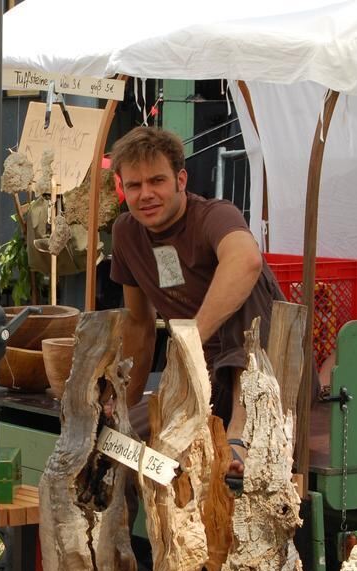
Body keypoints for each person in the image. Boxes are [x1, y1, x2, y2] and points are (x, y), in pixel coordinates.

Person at [109, 126, 285, 476]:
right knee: (115, 447)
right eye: (134, 185)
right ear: (122, 187)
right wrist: (124, 411)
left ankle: (241, 433)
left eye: (157, 181)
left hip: (266, 376)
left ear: (181, 179)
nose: (146, 194)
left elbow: (246, 261)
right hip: (199, 380)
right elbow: (140, 325)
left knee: (244, 283)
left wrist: (190, 338)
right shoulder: (126, 232)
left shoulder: (214, 215)